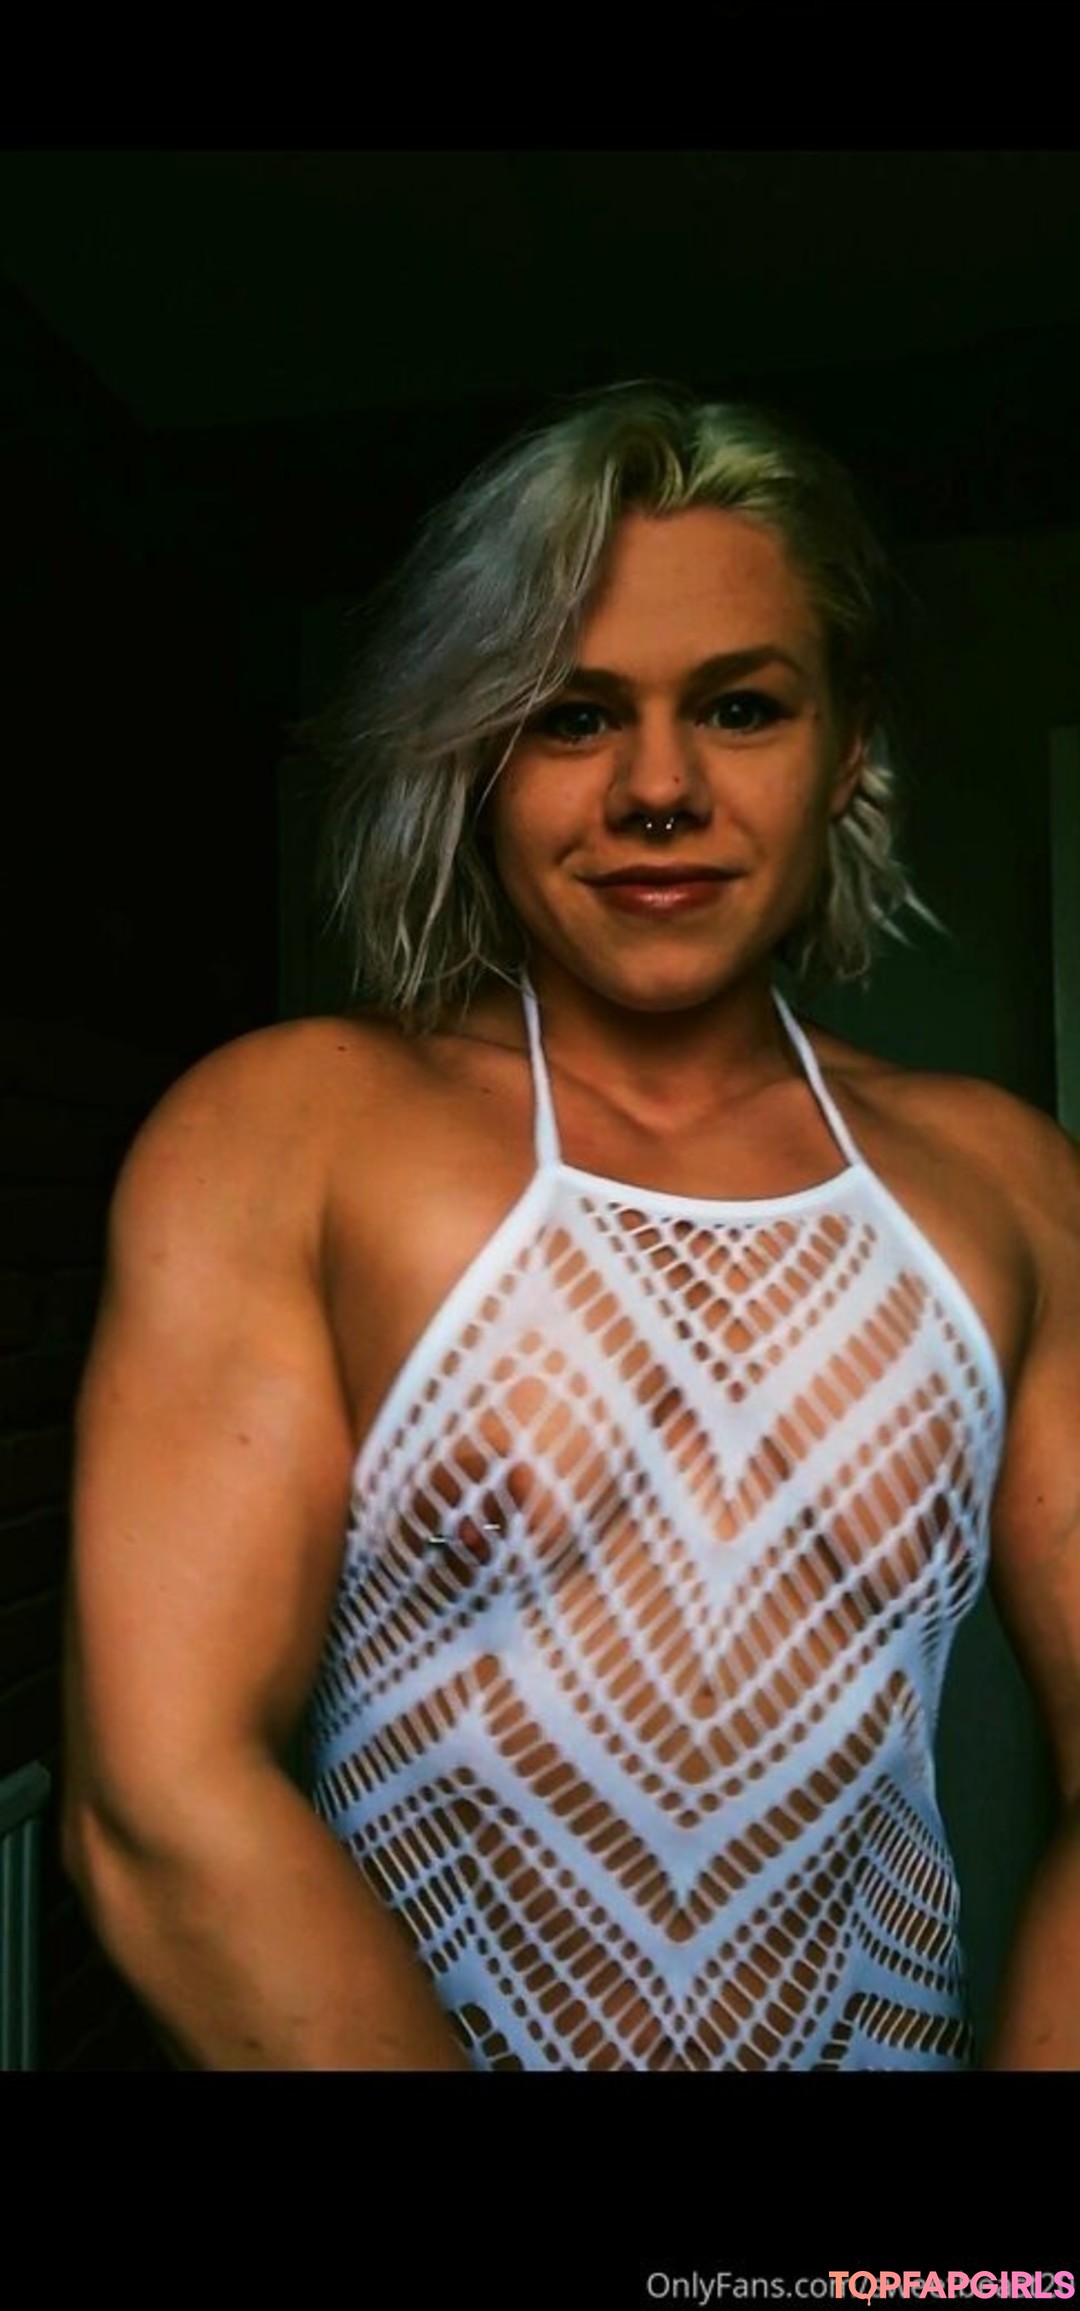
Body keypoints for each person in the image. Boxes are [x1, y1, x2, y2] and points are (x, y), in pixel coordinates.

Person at [63, 383, 1080, 2072]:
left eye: (741, 707)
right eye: (572, 715)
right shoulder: (286, 1137)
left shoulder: (1013, 1188)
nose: (658, 789)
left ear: (844, 747)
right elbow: (163, 1809)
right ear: (477, 754)